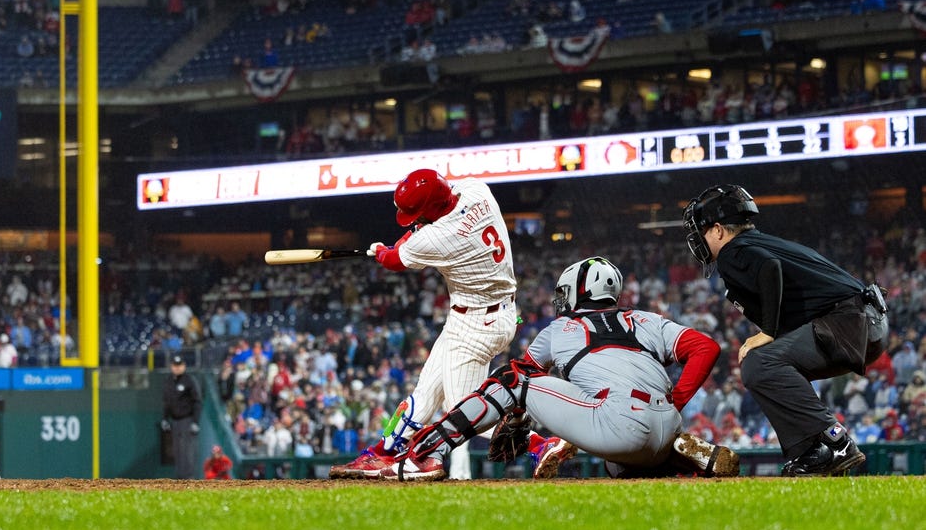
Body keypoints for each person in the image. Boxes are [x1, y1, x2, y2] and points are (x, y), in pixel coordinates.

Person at [380, 257, 739, 481]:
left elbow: (518, 380)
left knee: (512, 377)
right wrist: (674, 403)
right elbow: (706, 348)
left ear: (575, 292)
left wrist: (514, 419)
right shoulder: (646, 318)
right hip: (664, 423)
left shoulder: (560, 328)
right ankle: (680, 457)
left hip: (616, 423)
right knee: (619, 467)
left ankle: (427, 451)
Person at [682, 184, 889, 476]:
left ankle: (834, 442)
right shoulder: (758, 243)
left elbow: (770, 268)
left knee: (759, 363)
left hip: (850, 322)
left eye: (702, 231)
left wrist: (768, 330)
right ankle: (814, 455)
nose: (700, 239)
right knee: (768, 366)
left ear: (718, 230)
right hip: (862, 320)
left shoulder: (733, 250)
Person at [330, 168, 519, 480]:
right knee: (425, 394)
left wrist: (380, 251)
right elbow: (421, 227)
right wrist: (401, 239)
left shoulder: (437, 237)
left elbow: (394, 259)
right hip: (483, 313)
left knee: (463, 413)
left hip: (478, 323)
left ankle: (540, 444)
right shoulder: (476, 189)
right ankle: (387, 451)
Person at [161, 354, 202, 479]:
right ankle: (179, 478)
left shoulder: (189, 380)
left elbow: (197, 401)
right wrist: (165, 418)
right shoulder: (168, 381)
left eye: (180, 365)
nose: (177, 368)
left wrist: (195, 421)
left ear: (184, 366)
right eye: (175, 365)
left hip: (187, 419)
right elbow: (167, 402)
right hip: (175, 420)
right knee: (177, 450)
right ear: (171, 366)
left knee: (187, 449)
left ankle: (189, 477)